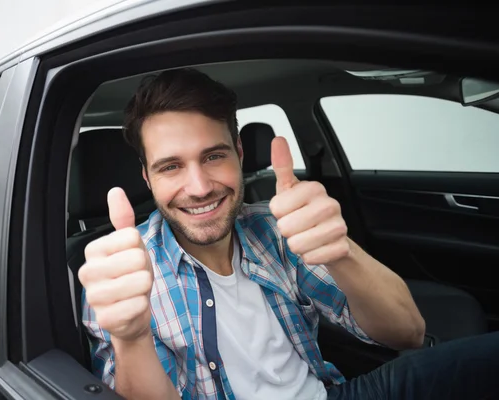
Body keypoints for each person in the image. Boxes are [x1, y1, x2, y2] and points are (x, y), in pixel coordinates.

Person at [79, 68, 499, 400]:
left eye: (214, 156)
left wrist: (342, 252)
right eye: (171, 166)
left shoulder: (276, 226)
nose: (200, 186)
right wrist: (131, 338)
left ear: (240, 154)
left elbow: (406, 332)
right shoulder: (121, 276)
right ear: (146, 178)